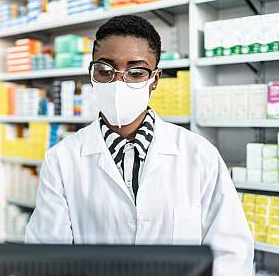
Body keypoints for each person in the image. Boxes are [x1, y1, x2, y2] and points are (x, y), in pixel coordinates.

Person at [25, 15, 254, 275]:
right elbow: (47, 257)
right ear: (92, 74)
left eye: (135, 72)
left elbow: (232, 253)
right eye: (105, 70)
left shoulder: (199, 155)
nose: (118, 83)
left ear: (154, 79)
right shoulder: (62, 160)